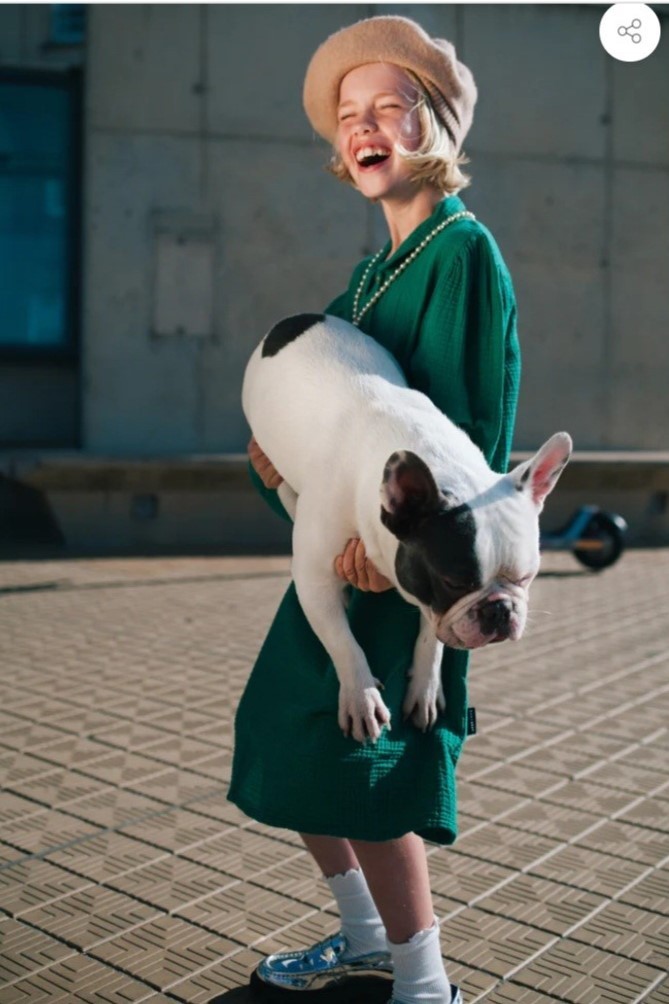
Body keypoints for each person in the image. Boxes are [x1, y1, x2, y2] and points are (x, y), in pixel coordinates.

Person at [228, 15, 520, 1004]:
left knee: (372, 769)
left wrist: (406, 553)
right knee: (289, 737)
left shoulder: (462, 253)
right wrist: (275, 468)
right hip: (343, 559)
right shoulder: (367, 276)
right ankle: (363, 935)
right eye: (349, 113)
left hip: (412, 571)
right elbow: (330, 430)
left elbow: (471, 433)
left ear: (434, 124)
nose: (363, 125)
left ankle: (423, 981)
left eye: (389, 106)